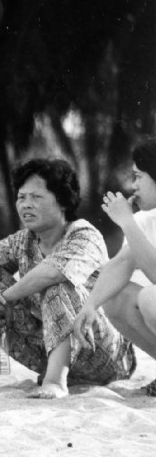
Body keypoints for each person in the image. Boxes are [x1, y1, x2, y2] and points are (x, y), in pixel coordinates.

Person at [0, 158, 135, 399]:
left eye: (36, 197)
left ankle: (55, 381)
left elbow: (52, 272)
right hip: (47, 348)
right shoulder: (24, 240)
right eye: (22, 197)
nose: (26, 205)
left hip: (102, 353)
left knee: (57, 284)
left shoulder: (83, 234)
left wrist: (4, 299)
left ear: (62, 200)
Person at [74, 137, 156, 396]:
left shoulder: (136, 222)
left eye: (139, 176)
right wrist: (90, 305)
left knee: (149, 298)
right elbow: (120, 264)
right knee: (115, 298)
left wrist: (127, 223)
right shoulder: (146, 219)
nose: (133, 186)